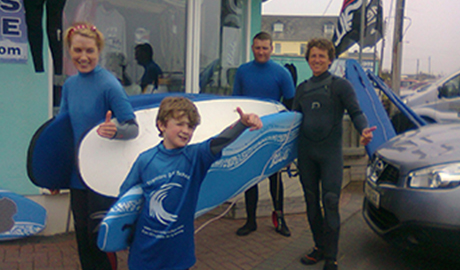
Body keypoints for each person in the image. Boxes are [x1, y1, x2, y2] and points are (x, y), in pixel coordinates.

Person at [118, 96, 262, 270]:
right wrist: (120, 233)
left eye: (190, 126)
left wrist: (242, 124)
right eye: (179, 124)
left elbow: (219, 142)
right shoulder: (145, 160)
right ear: (162, 125)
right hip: (145, 253)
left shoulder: (196, 157)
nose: (186, 130)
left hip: (178, 254)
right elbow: (125, 199)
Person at [59, 22, 139, 270]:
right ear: (70, 51)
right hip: (77, 177)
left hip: (102, 176)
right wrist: (54, 175)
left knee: (100, 240)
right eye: (77, 50)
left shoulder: (109, 84)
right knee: (82, 238)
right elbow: (62, 132)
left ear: (98, 51)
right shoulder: (70, 85)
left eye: (89, 51)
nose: (83, 57)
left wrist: (116, 131)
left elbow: (132, 127)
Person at [293, 38, 375, 270]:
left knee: (330, 202)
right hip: (306, 154)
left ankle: (332, 256)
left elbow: (356, 112)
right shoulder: (302, 89)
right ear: (308, 59)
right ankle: (319, 247)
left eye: (322, 55)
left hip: (330, 155)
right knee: (310, 203)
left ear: (330, 59)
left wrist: (363, 129)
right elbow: (293, 121)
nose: (317, 59)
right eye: (313, 55)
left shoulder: (340, 86)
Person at [232, 31, 295, 237]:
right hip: (249, 131)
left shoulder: (281, 73)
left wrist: (287, 139)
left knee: (274, 178)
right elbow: (235, 103)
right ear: (252, 48)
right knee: (251, 178)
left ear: (271, 49)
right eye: (257, 48)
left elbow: (291, 106)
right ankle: (251, 221)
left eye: (265, 48)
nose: (261, 52)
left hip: (273, 132)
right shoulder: (243, 71)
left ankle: (280, 220)